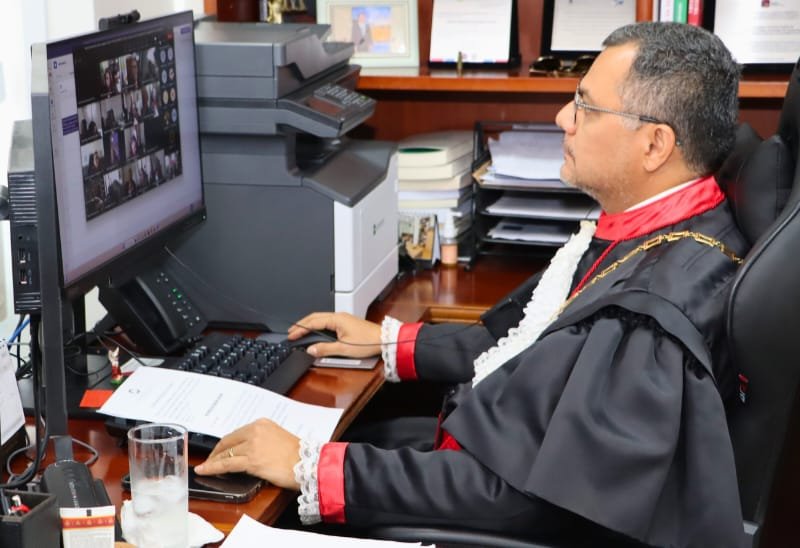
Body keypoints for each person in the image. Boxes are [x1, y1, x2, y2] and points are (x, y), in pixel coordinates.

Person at [196, 22, 748, 547]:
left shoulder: (649, 316)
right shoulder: (659, 230)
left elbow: (529, 501)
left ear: (654, 145)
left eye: (585, 105)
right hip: (491, 466)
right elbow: (522, 343)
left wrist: (311, 467)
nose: (563, 118)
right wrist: (392, 343)